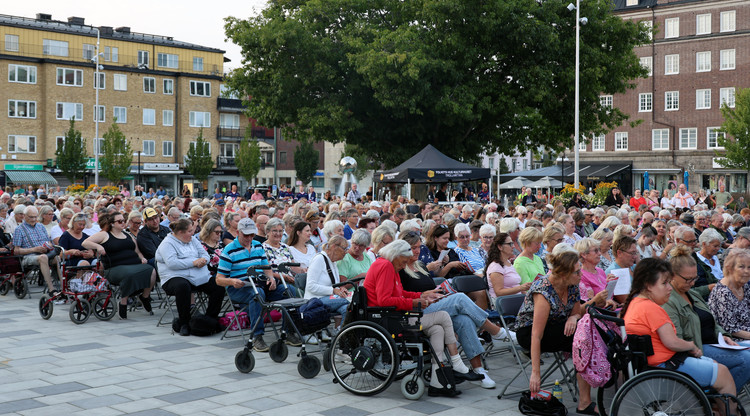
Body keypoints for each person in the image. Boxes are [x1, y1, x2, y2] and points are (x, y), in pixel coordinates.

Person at [365, 239, 504, 393]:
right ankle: (459, 360)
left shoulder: (390, 265)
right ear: (396, 255)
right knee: (447, 313)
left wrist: (420, 296)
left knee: (438, 329)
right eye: (404, 261)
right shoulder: (385, 265)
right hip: (389, 318)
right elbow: (384, 300)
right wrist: (415, 303)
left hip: (395, 314)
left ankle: (438, 382)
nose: (404, 265)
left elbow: (400, 293)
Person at [622, 258, 737, 402]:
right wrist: (691, 345)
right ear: (648, 286)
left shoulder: (636, 302)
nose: (669, 287)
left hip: (654, 364)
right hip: (664, 367)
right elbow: (672, 342)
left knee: (714, 365)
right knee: (723, 373)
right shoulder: (651, 309)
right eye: (664, 283)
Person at [514, 251, 596, 414]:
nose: (581, 274)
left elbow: (576, 312)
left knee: (586, 332)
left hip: (557, 326)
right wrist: (536, 374)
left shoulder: (572, 286)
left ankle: (585, 400)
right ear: (564, 274)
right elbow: (536, 335)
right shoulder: (543, 290)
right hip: (529, 332)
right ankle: (585, 402)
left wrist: (573, 317)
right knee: (584, 337)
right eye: (577, 271)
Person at [664, 245, 750, 389]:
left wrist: (723, 335)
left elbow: (712, 320)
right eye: (688, 279)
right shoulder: (669, 300)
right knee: (746, 360)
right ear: (672, 275)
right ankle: (722, 398)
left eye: (694, 278)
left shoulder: (692, 294)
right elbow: (677, 337)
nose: (692, 283)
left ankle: (723, 396)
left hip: (716, 342)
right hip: (699, 347)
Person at [215, 218, 301, 352]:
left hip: (259, 283)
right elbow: (219, 279)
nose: (249, 238)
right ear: (238, 232)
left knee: (289, 290)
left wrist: (271, 278)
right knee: (257, 294)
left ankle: (287, 332)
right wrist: (232, 281)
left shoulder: (257, 245)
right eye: (246, 235)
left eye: (252, 235)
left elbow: (266, 267)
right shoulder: (229, 250)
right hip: (240, 287)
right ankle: (257, 336)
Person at [157, 218, 225, 336]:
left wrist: (203, 260)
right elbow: (172, 263)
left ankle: (210, 319)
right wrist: (194, 262)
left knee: (218, 285)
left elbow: (205, 255)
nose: (192, 233)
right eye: (189, 231)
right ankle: (184, 322)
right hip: (173, 277)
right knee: (183, 286)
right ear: (180, 233)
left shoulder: (193, 240)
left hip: (196, 276)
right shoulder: (167, 244)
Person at [82, 212, 156, 319]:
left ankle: (145, 296)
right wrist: (97, 246)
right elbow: (85, 243)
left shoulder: (128, 235)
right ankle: (123, 302)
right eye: (120, 221)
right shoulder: (105, 234)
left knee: (151, 270)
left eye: (124, 221)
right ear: (112, 223)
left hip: (134, 264)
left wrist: (142, 258)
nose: (123, 223)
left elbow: (137, 251)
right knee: (129, 274)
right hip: (114, 268)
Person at [12, 206, 62, 296]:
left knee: (57, 257)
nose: (34, 219)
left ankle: (63, 287)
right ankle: (51, 289)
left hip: (45, 253)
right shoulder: (19, 229)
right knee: (43, 257)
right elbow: (16, 250)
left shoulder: (40, 226)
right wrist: (34, 249)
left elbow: (49, 242)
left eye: (35, 217)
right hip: (28, 256)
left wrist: (48, 246)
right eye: (31, 217)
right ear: (24, 216)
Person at [304, 235, 349, 329]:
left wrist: (340, 289)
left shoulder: (333, 262)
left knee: (348, 308)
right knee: (350, 301)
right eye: (344, 249)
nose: (346, 252)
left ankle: (341, 335)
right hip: (315, 300)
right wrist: (333, 290)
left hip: (329, 298)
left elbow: (333, 285)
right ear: (333, 247)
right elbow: (310, 286)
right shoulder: (319, 259)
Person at [708, 249, 750, 340]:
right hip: (733, 340)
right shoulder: (723, 292)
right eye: (741, 267)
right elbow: (730, 329)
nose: (747, 271)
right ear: (730, 268)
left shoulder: (744, 287)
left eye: (749, 267)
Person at [486, 232, 531, 302]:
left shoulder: (508, 262)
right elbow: (499, 292)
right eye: (510, 244)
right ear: (500, 247)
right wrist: (521, 288)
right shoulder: (495, 267)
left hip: (517, 299)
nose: (513, 246)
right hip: (506, 303)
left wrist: (527, 298)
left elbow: (517, 286)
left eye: (512, 243)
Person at [575, 238, 616, 308]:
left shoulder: (600, 271)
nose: (599, 253)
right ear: (584, 255)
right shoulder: (581, 276)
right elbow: (591, 303)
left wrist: (609, 284)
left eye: (599, 250)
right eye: (595, 251)